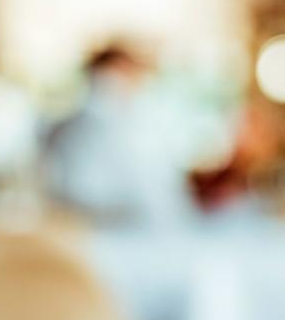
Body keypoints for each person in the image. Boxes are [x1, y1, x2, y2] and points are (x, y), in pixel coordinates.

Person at [44, 45, 196, 226]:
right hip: (106, 230)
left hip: (141, 228)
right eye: (123, 71)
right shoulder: (89, 124)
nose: (133, 80)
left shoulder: (142, 120)